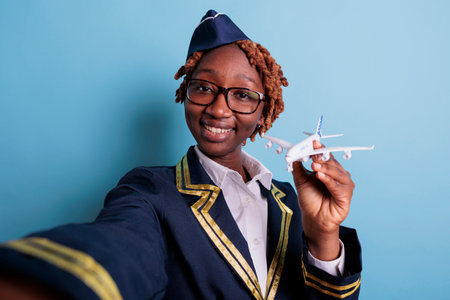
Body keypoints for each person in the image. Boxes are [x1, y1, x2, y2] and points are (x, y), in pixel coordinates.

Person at [0, 10, 362, 300]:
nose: (219, 109)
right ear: (185, 92)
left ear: (264, 112)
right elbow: (122, 248)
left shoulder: (292, 200)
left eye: (242, 94)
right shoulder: (150, 191)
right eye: (203, 88)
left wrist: (325, 235)